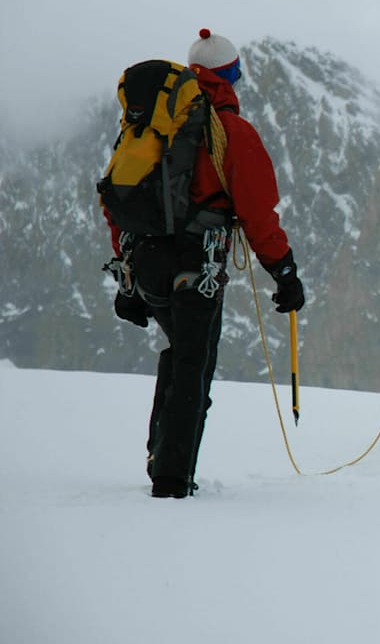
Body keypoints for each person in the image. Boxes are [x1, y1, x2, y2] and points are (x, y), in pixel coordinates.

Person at [106, 28, 305, 498]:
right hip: (198, 263)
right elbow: (257, 213)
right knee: (195, 365)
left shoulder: (148, 126)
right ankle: (173, 479)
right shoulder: (230, 131)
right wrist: (284, 271)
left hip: (147, 261)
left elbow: (119, 196)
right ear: (230, 77)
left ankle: (162, 456)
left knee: (179, 355)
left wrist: (127, 274)